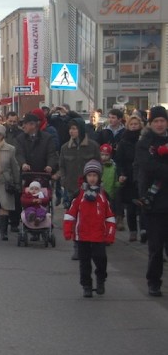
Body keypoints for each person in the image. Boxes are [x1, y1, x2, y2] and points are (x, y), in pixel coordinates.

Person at [63, 159, 116, 298]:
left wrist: (110, 235)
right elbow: (70, 214)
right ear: (85, 177)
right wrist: (68, 230)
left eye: (95, 175)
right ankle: (86, 285)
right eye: (89, 175)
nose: (92, 178)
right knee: (84, 262)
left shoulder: (103, 196)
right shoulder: (79, 195)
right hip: (82, 235)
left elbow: (110, 217)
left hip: (99, 235)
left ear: (99, 177)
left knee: (101, 259)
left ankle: (100, 279)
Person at [136, 105, 168, 297]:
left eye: (162, 120)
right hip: (154, 201)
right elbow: (148, 167)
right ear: (150, 123)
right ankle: (153, 282)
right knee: (155, 247)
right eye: (156, 121)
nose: (159, 124)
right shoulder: (145, 142)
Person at [55, 117, 100, 215]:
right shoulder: (65, 147)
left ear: (81, 129)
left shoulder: (93, 146)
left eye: (74, 128)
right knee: (72, 212)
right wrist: (63, 179)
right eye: (70, 129)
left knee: (89, 212)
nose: (71, 131)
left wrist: (97, 180)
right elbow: (62, 166)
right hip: (71, 186)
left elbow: (99, 165)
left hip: (90, 185)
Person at [115, 114, 144, 242]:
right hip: (128, 176)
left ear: (140, 125)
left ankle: (144, 230)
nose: (133, 127)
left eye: (136, 124)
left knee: (143, 205)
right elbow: (119, 160)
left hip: (143, 176)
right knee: (131, 207)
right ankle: (133, 230)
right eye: (131, 124)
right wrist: (121, 174)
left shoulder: (144, 140)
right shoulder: (123, 141)